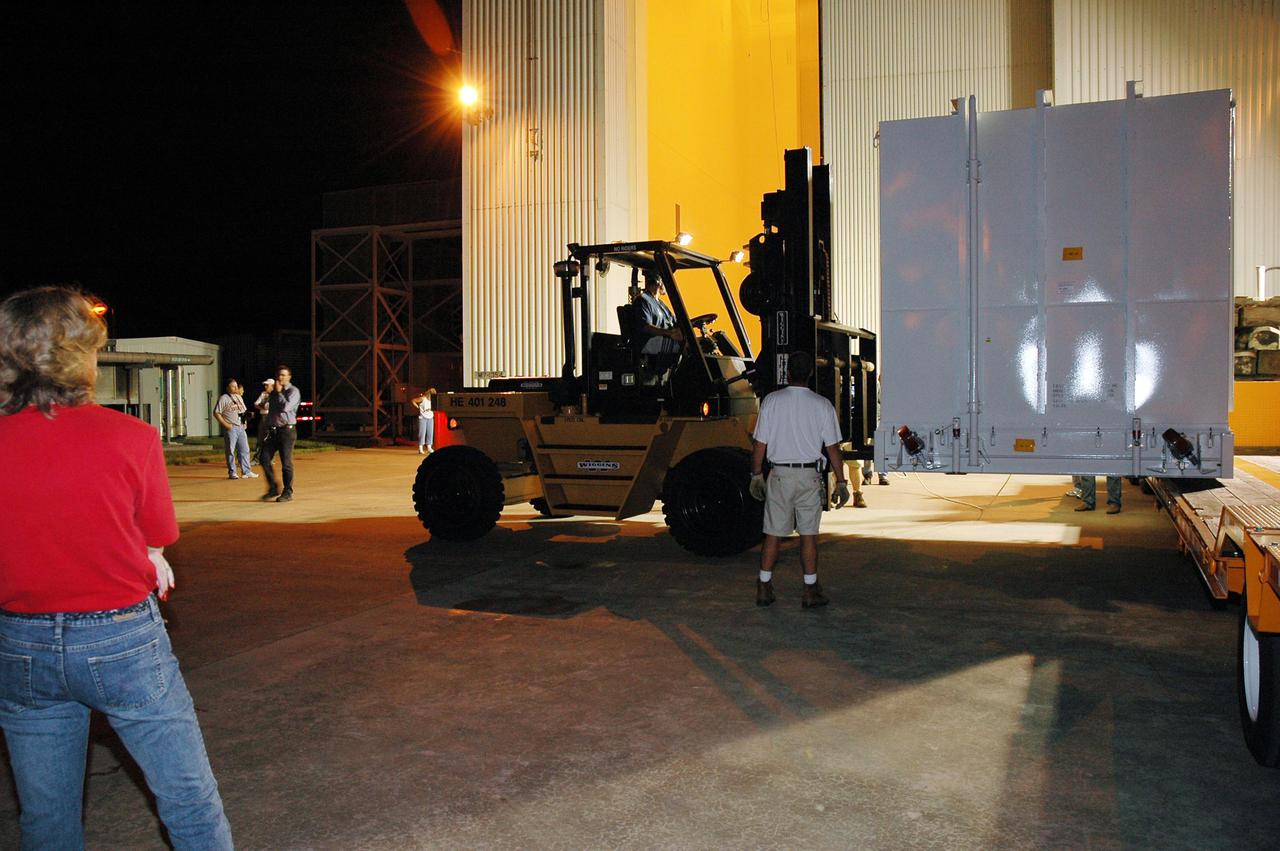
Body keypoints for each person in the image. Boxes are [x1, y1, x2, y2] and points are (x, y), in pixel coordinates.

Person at [0, 286, 233, 850]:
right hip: (119, 639)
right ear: (82, 355)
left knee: (46, 817)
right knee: (187, 798)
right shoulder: (132, 436)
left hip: (20, 644)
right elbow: (160, 532)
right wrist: (149, 554)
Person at [748, 350, 851, 608]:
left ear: (788, 372)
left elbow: (760, 444)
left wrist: (756, 474)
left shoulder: (772, 401)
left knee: (773, 533)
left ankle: (764, 586)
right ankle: (810, 590)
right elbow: (833, 449)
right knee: (808, 535)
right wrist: (841, 481)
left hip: (780, 476)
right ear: (811, 373)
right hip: (808, 477)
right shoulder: (822, 405)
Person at [259, 365, 300, 503]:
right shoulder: (273, 393)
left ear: (289, 377)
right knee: (264, 458)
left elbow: (285, 407)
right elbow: (269, 410)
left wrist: (279, 392)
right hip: (273, 431)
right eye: (278, 375)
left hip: (287, 431)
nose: (280, 377)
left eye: (283, 375)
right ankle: (273, 488)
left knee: (286, 462)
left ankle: (287, 491)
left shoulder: (293, 391)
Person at [214, 378, 257, 480]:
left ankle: (246, 471)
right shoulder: (224, 398)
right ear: (227, 388)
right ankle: (232, 472)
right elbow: (216, 413)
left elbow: (243, 412)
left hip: (241, 427)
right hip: (231, 428)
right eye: (233, 386)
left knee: (244, 449)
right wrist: (225, 424)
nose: (235, 388)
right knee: (230, 450)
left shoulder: (238, 397)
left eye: (236, 386)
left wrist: (246, 419)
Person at [635, 270, 683, 359]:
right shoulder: (643, 300)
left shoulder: (661, 304)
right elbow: (646, 327)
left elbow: (674, 322)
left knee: (696, 343)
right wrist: (669, 333)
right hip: (649, 342)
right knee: (685, 347)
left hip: (664, 338)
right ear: (659, 282)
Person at [253, 378, 274, 449]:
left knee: (269, 433)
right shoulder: (263, 394)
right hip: (263, 416)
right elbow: (256, 404)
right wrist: (263, 406)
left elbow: (269, 406)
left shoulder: (275, 394)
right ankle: (259, 447)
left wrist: (262, 405)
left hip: (271, 417)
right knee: (261, 432)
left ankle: (268, 448)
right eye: (265, 385)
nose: (265, 386)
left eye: (267, 385)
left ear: (272, 386)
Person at [413, 388, 436, 454]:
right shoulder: (423, 398)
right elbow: (413, 400)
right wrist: (418, 407)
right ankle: (420, 448)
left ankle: (429, 447)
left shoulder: (433, 400)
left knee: (430, 433)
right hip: (423, 418)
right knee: (422, 433)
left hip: (430, 418)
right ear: (429, 394)